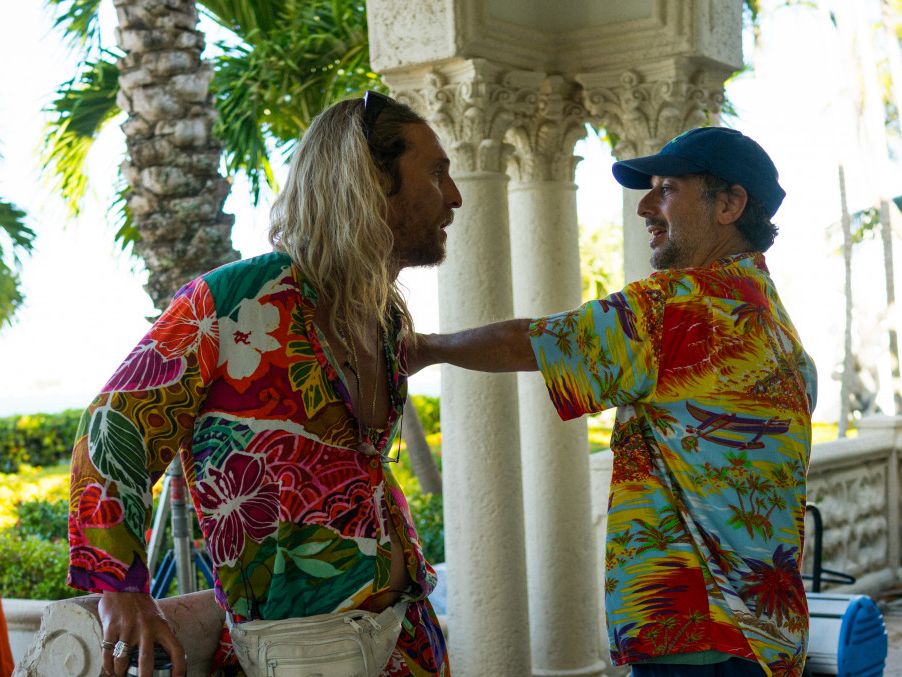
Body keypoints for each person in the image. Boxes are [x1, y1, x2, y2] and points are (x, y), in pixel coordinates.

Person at [68, 91, 461, 677]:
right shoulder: (235, 301)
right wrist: (120, 587)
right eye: (435, 173)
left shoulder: (378, 319)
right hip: (299, 652)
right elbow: (112, 425)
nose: (454, 196)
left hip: (408, 637)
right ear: (371, 182)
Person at [411, 127, 816, 677]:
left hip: (697, 630)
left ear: (729, 204)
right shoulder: (775, 322)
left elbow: (530, 342)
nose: (645, 207)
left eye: (667, 189)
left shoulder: (680, 306)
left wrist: (422, 348)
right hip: (767, 636)